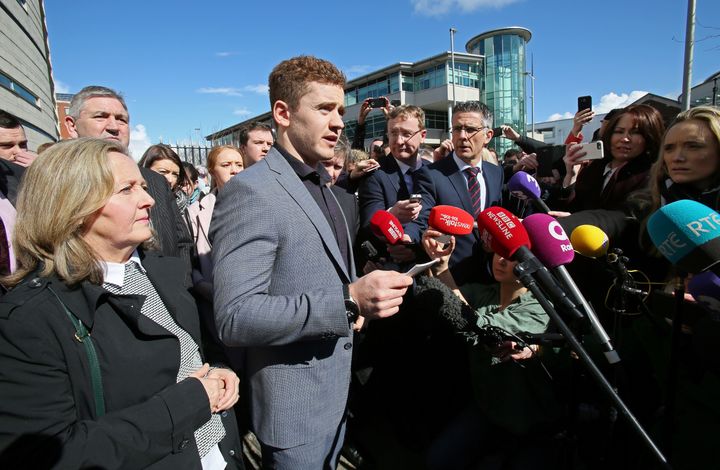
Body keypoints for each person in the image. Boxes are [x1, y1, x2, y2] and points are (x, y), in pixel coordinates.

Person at [210, 55, 412, 469]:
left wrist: (363, 288)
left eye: (340, 109)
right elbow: (235, 315)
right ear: (282, 114)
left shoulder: (329, 188)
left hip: (337, 397)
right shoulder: (250, 192)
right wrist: (348, 301)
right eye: (324, 109)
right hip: (294, 413)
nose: (338, 122)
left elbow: (328, 275)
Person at [0, 138, 243, 469]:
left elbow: (192, 353)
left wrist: (220, 371)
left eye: (143, 187)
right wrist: (189, 401)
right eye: (126, 190)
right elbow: (51, 455)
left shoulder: (163, 271)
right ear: (71, 204)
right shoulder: (29, 318)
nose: (148, 200)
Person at [419, 228, 558, 469]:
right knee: (437, 460)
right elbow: (453, 297)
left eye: (512, 256)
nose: (501, 260)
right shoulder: (485, 293)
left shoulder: (540, 309)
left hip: (529, 423)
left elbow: (482, 330)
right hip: (487, 409)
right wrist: (438, 262)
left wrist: (443, 272)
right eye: (499, 251)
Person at [64, 86, 193, 277]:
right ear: (72, 125)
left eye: (121, 119)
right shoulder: (57, 181)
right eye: (100, 116)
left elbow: (182, 242)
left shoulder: (156, 181)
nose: (113, 127)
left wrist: (181, 286)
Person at [413, 100, 504, 286]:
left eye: (470, 129)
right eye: (456, 129)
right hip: (450, 279)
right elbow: (423, 222)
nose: (462, 136)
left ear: (488, 135)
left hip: (491, 278)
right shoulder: (430, 175)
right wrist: (437, 242)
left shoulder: (496, 173)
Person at [560, 104, 664, 213]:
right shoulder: (592, 169)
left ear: (650, 136)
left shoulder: (652, 177)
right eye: (619, 131)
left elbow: (624, 218)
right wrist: (571, 175)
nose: (624, 139)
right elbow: (570, 209)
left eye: (635, 132)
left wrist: (579, 221)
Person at [139, 144, 191, 211]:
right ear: (146, 168)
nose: (170, 179)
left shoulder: (182, 204)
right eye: (163, 172)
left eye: (175, 174)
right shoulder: (134, 202)